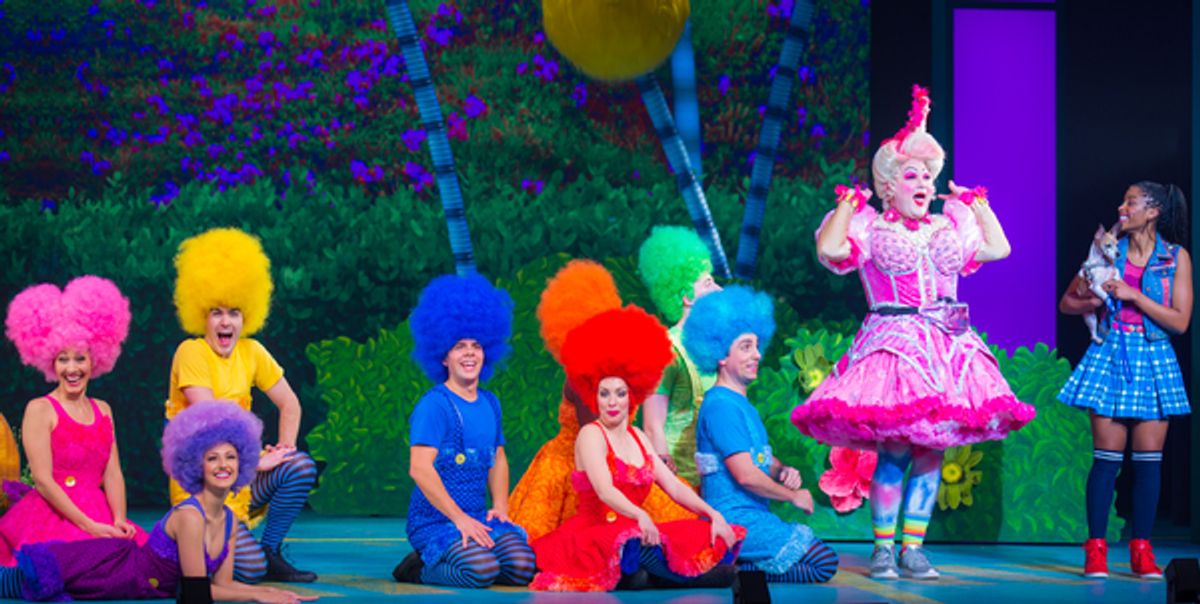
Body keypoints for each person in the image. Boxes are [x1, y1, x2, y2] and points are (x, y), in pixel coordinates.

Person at [790, 85, 1035, 580]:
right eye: (911, 174)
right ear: (888, 186)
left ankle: (914, 548)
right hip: (895, 343)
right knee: (896, 449)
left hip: (947, 344)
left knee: (933, 450)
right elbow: (832, 250)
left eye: (928, 175)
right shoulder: (871, 226)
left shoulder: (949, 225)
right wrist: (845, 204)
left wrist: (978, 204)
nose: (923, 182)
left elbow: (999, 249)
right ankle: (884, 549)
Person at [0, 402, 317, 603]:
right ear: (197, 465)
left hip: (124, 574)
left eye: (231, 457)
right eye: (213, 458)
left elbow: (224, 583)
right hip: (106, 572)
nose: (223, 465)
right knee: (18, 581)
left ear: (244, 462)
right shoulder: (191, 517)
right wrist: (258, 598)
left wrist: (268, 592)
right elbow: (195, 594)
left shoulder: (230, 522)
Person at [531, 306, 743, 592]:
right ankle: (659, 574)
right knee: (632, 541)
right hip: (596, 535)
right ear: (595, 397)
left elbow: (673, 487)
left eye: (620, 393)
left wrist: (712, 514)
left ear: (632, 395)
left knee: (702, 532)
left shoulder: (640, 438)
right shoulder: (590, 435)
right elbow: (605, 490)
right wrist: (640, 515)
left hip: (636, 530)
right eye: (604, 394)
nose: (612, 402)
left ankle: (650, 574)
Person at [167, 228, 318, 583]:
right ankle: (206, 545)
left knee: (298, 466)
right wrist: (255, 460)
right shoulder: (192, 352)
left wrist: (283, 449)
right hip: (202, 489)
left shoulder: (252, 352)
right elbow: (211, 422)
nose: (225, 322)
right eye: (216, 312)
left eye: (234, 312)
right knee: (249, 571)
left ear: (246, 316)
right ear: (200, 315)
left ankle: (272, 549)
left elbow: (290, 404)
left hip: (242, 480)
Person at [1058, 181, 1192, 580]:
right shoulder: (1103, 250)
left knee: (1149, 463)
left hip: (1153, 356)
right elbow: (1067, 303)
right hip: (1111, 353)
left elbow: (1180, 321)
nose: (1122, 207)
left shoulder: (1175, 258)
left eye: (1130, 202)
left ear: (1152, 211)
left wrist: (1134, 295)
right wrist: (1092, 300)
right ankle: (1096, 552)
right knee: (1106, 462)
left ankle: (1142, 553)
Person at [510, 260, 695, 543]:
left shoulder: (616, 374)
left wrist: (649, 459)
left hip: (622, 456)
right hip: (582, 464)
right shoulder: (580, 377)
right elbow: (602, 435)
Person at [686, 286, 839, 583]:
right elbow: (745, 475)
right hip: (735, 520)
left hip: (754, 516)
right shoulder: (720, 407)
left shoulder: (740, 404)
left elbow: (757, 457)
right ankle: (729, 570)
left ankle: (731, 568)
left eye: (756, 346)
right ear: (720, 355)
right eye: (745, 347)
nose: (756, 354)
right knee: (823, 562)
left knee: (819, 559)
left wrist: (782, 469)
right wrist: (793, 496)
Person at [395, 273, 535, 588]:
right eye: (459, 346)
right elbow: (419, 468)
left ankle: (463, 553)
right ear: (443, 356)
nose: (469, 353)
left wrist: (500, 506)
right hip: (435, 522)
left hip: (476, 519)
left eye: (476, 346)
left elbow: (498, 457)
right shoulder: (434, 405)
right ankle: (418, 568)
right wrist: (458, 518)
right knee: (481, 572)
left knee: (522, 568)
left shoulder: (490, 402)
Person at [0, 276, 147, 564]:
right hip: (53, 514)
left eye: (80, 358)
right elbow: (42, 480)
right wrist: (88, 526)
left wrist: (118, 519)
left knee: (142, 564)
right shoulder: (40, 409)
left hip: (99, 510)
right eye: (62, 359)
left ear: (96, 359)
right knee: (75, 567)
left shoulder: (104, 409)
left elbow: (113, 472)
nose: (72, 368)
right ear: (49, 362)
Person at [637, 226, 722, 483]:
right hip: (680, 480)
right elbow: (652, 425)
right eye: (708, 283)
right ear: (686, 296)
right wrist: (666, 478)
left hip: (715, 479)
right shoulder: (666, 349)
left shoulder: (715, 345)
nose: (718, 290)